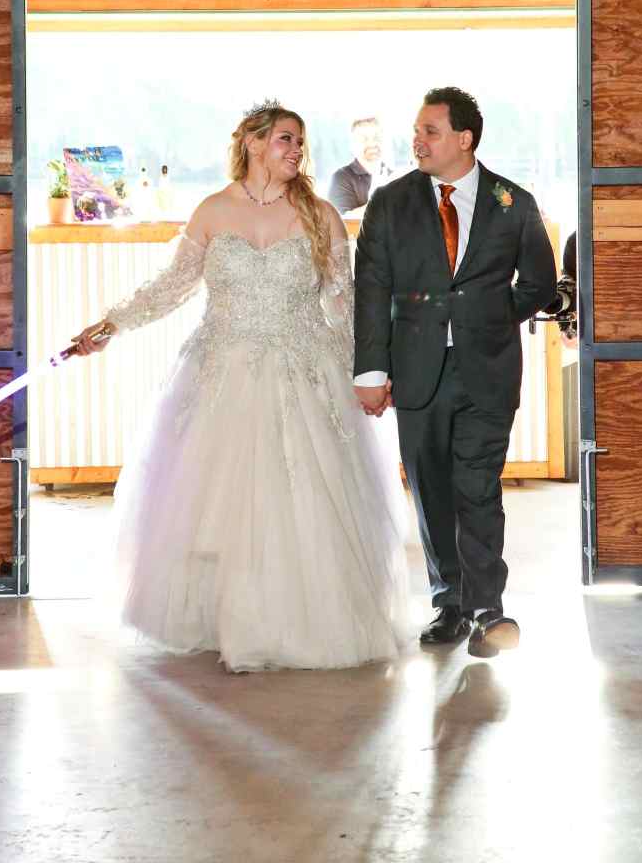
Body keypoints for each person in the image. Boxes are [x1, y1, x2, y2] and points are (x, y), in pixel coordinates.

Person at [72, 100, 412, 673]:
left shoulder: (321, 214)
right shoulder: (211, 211)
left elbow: (344, 300)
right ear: (253, 143)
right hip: (220, 370)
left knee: (303, 499)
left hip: (303, 369)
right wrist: (111, 324)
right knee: (216, 505)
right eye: (285, 139)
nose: (296, 150)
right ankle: (219, 619)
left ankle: (301, 623)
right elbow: (171, 286)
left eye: (300, 142)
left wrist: (370, 371)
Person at [353, 87, 557, 658]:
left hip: (487, 372)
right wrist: (370, 369)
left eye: (431, 131)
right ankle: (449, 602)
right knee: (430, 490)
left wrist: (488, 318)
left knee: (478, 488)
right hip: (415, 371)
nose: (417, 140)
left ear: (464, 139)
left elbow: (539, 285)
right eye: (417, 131)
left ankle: (489, 610)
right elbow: (370, 289)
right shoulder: (389, 204)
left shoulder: (514, 202)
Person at [328, 117, 392, 215]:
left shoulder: (395, 176)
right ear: (352, 146)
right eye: (364, 139)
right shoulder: (341, 177)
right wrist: (377, 199)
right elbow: (343, 222)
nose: (372, 143)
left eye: (377, 138)